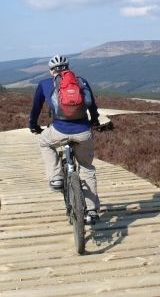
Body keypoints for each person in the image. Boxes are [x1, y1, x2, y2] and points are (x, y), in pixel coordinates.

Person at [28, 54, 101, 223]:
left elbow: (35, 110)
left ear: (51, 70)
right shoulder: (81, 82)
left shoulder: (45, 84)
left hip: (59, 131)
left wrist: (33, 126)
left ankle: (56, 177)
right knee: (87, 167)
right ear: (68, 67)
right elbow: (93, 107)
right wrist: (94, 121)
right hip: (83, 132)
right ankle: (91, 211)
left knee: (44, 142)